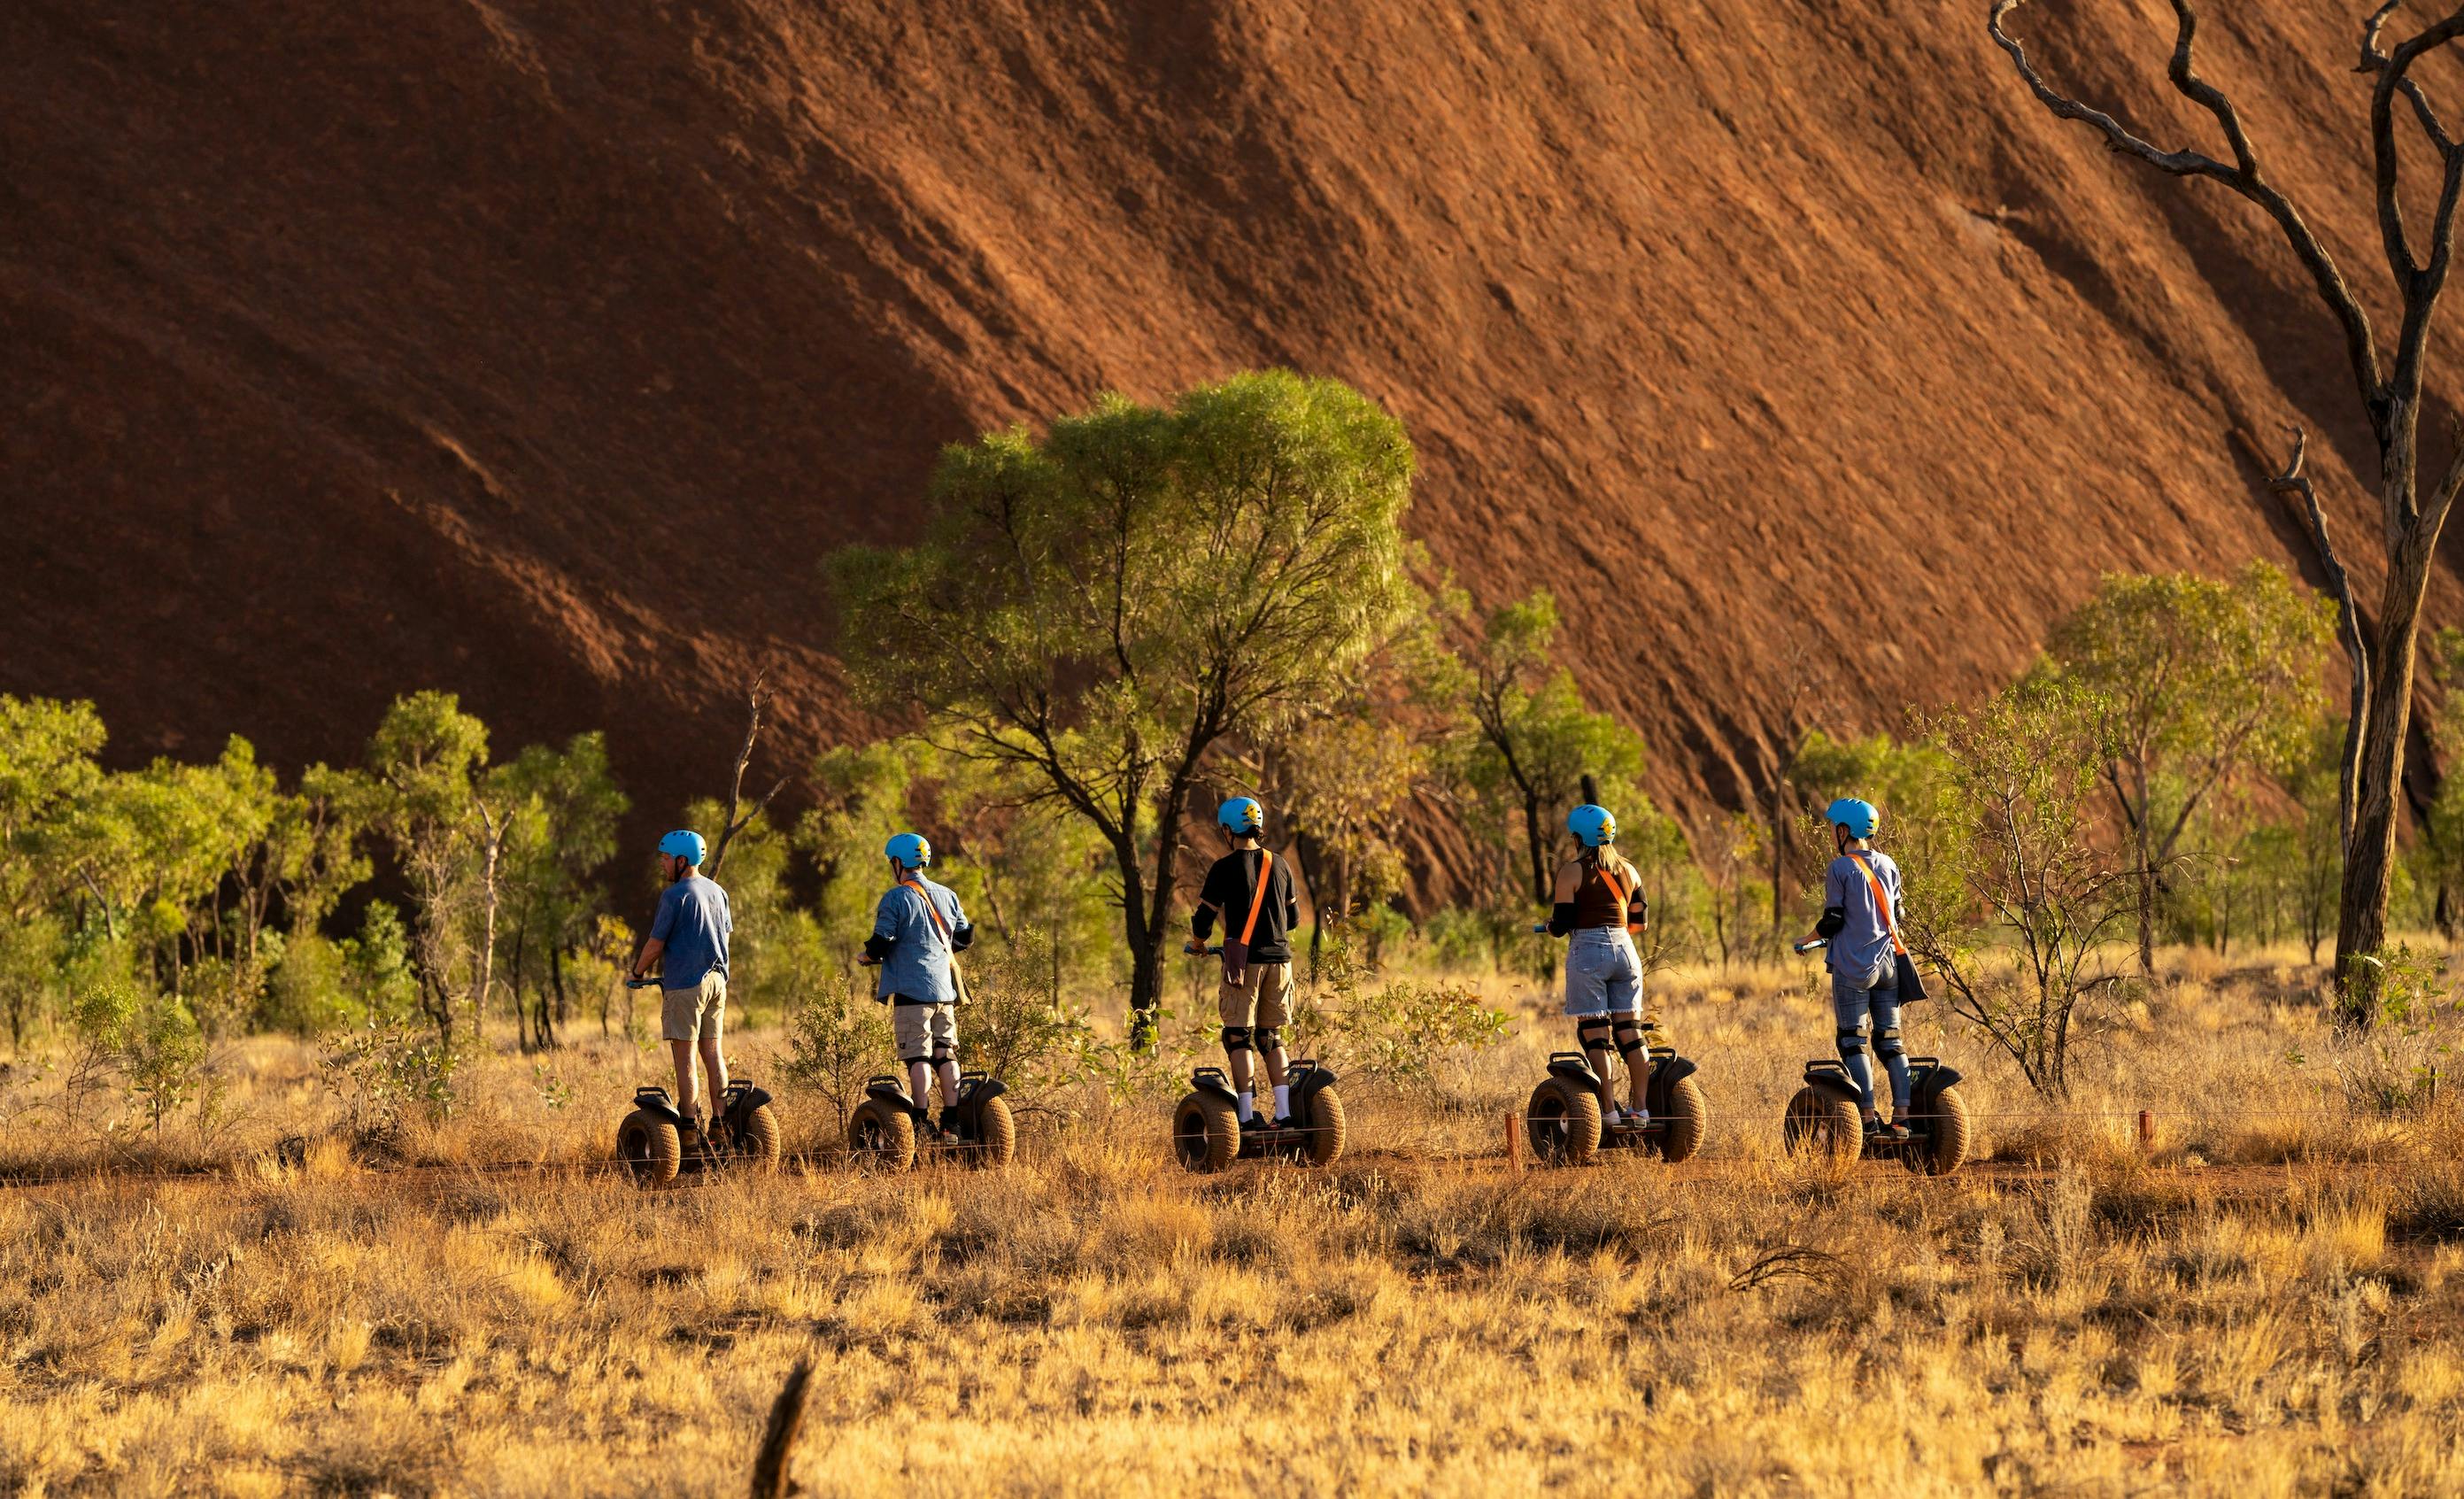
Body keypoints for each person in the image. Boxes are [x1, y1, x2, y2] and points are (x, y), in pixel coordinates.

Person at [1800, 797, 1912, 1140]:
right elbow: (1899, 914)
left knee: (1853, 1041)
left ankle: (1866, 1117)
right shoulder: (1889, 864)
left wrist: (1806, 940)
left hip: (1854, 967)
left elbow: (1833, 919)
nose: (1832, 833)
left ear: (1844, 830)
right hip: (1889, 963)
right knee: (1890, 1042)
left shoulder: (1840, 868)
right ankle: (1903, 1118)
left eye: (1834, 828)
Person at [1191, 797, 1302, 1128]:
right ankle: (1284, 1115)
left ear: (1228, 830)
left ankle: (1245, 1116)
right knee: (1271, 1037)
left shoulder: (1223, 868)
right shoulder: (1280, 864)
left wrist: (1198, 944)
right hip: (1281, 961)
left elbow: (1203, 920)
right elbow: (1293, 919)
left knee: (1238, 1036)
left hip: (1244, 963)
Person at [1546, 804, 1653, 1126]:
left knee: (1596, 1037)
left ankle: (1608, 1111)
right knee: (1630, 1034)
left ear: (1578, 837)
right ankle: (1641, 1109)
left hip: (1588, 953)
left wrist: (1552, 927)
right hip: (1626, 951)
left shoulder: (1571, 871)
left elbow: (1562, 923)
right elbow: (1641, 922)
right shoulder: (1629, 870)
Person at [861, 832, 974, 1138]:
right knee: (945, 1054)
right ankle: (952, 1124)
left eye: (891, 862)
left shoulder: (896, 897)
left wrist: (867, 956)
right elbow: (964, 938)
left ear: (898, 863)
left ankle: (921, 1122)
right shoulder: (947, 895)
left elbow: (882, 941)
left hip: (912, 992)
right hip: (944, 992)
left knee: (918, 1056)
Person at [628, 829, 733, 1144]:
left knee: (685, 1057)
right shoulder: (718, 891)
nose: (662, 864)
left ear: (682, 860)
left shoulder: (674, 896)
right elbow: (725, 937)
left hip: (686, 986)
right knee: (713, 1053)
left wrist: (637, 972)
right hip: (717, 981)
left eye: (666, 858)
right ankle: (721, 1126)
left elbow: (655, 944)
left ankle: (688, 1131)